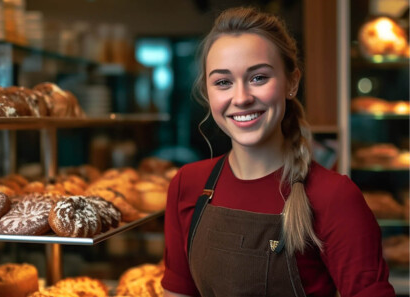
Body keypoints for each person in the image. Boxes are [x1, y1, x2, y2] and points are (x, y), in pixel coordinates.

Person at [161, 6, 395, 297]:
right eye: (223, 82)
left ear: (292, 82)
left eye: (258, 77)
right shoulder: (188, 185)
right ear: (208, 94)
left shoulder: (334, 197)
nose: (242, 98)